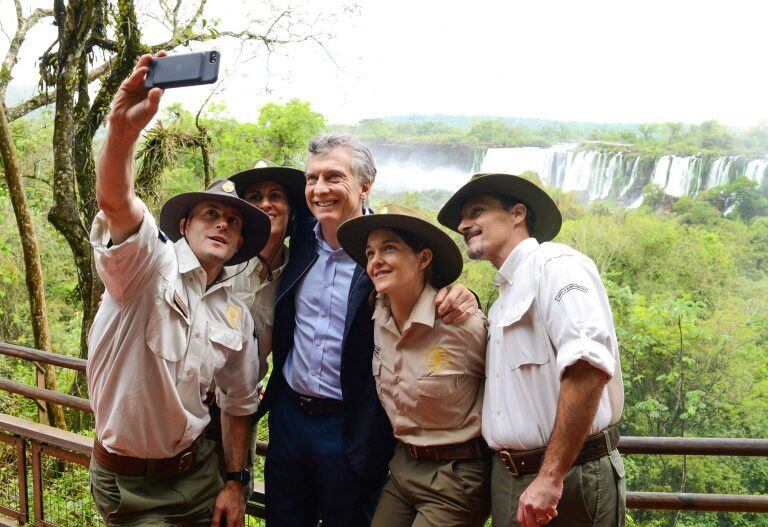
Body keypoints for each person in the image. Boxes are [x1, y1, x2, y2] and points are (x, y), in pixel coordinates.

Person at [256, 134, 480, 527]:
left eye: (333, 177)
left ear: (364, 186)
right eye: (311, 179)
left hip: (352, 425)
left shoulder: (385, 251)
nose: (320, 189)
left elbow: (428, 286)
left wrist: (466, 295)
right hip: (290, 417)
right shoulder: (299, 241)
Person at [87, 53, 269, 527]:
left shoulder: (237, 315)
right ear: (185, 224)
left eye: (233, 221)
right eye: (212, 214)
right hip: (130, 485)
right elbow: (116, 201)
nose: (224, 224)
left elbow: (239, 403)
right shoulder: (147, 265)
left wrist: (234, 481)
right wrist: (123, 130)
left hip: (200, 476)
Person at [438, 173, 626, 527]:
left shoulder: (555, 266)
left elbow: (588, 366)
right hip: (513, 477)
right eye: (463, 218)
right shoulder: (504, 295)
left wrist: (550, 477)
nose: (464, 224)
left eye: (477, 211)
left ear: (517, 214)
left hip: (568, 476)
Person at [337, 203, 491, 526]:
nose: (376, 261)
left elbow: (507, 384)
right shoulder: (376, 317)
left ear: (423, 259)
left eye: (389, 248)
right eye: (370, 253)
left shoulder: (460, 324)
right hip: (402, 464)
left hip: (456, 473)